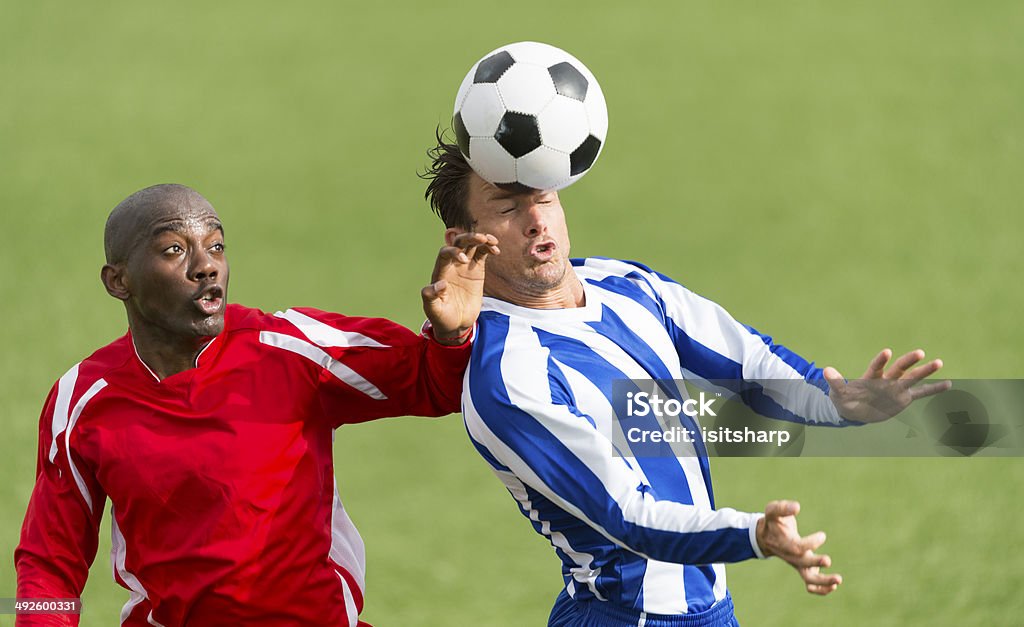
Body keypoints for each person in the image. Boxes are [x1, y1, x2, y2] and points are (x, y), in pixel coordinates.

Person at [421, 137, 950, 626]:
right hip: (627, 617)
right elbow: (628, 516)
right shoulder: (508, 379)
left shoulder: (626, 285)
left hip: (708, 611)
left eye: (544, 196)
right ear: (465, 241)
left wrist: (839, 401)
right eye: (509, 207)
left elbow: (747, 364)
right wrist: (752, 535)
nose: (537, 220)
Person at [15, 183, 498, 626]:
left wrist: (452, 335)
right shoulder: (83, 399)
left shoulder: (289, 349)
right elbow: (49, 561)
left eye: (216, 246)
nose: (206, 265)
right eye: (175, 250)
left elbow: (432, 383)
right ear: (118, 281)